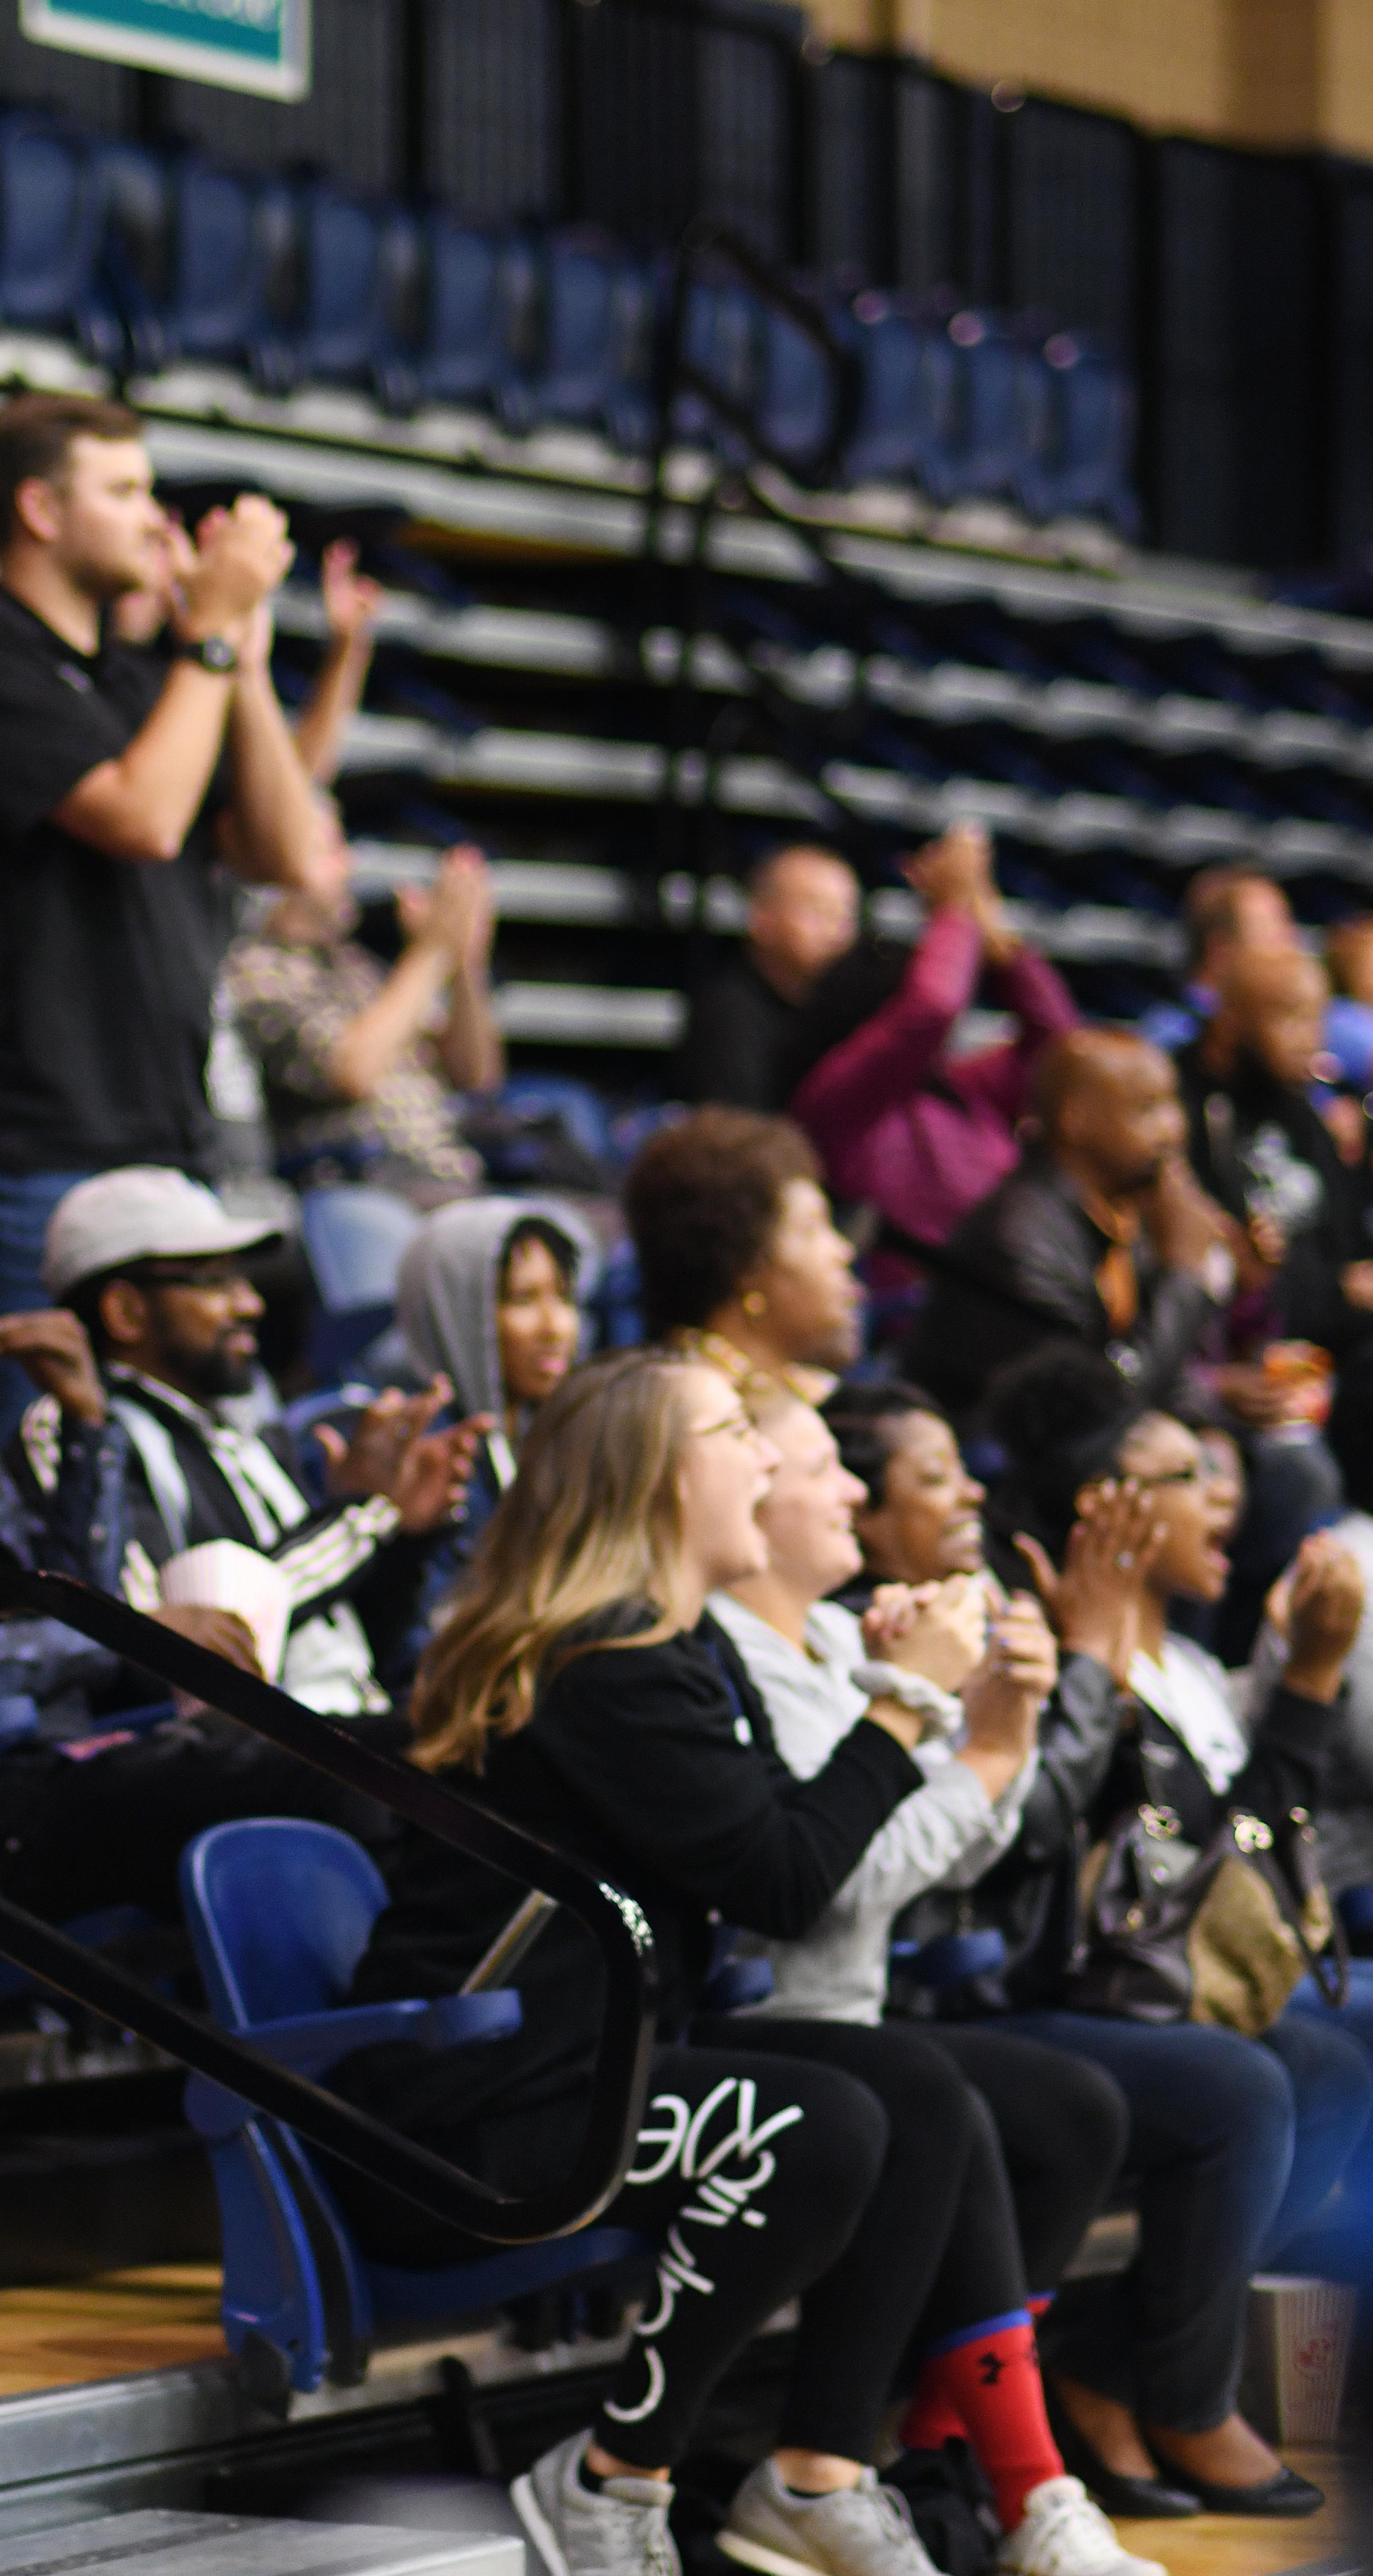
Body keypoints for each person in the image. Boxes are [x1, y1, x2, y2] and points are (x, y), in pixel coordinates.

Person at [325, 1350, 1161, 2576]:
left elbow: (783, 1845)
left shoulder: (670, 1651)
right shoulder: (596, 1662)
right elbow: (782, 1878)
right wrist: (900, 1711)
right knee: (815, 2124)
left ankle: (815, 2473)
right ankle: (608, 2482)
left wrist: (891, 1693)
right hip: (470, 2120)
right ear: (659, 1483)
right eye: (736, 1433)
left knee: (912, 2087)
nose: (767, 1457)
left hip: (587, 2070)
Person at [961, 1341, 1373, 2521]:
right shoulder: (1032, 1645)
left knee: (1334, 2061)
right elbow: (1045, 1852)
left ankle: (1107, 2357)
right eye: (1187, 1474)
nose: (1225, 1493)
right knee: (1251, 2082)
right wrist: (1293, 1691)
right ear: (1111, 1510)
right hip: (1035, 1995)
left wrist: (1304, 1680)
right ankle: (1182, 2396)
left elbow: (1232, 1878)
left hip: (1153, 1992)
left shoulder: (1188, 1663)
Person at [0, 392, 323, 1434]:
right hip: (37, 1145)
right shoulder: (7, 662)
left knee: (182, 1466)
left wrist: (247, 661)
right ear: (41, 510)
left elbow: (277, 852)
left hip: (165, 1135)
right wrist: (213, 643)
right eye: (125, 490)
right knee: (37, 1475)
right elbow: (140, 815)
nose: (155, 519)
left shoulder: (143, 680)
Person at [8, 1168, 480, 1729]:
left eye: (242, 1279)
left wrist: (404, 1541)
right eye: (214, 1281)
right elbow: (167, 1644)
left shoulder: (247, 1432)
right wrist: (363, 1516)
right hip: (215, 1757)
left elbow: (344, 1645)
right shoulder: (71, 1432)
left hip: (334, 1730)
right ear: (126, 1312)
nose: (250, 1303)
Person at [905, 1029, 1232, 1424]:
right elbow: (1099, 1406)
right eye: (1146, 1110)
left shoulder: (1126, 1208)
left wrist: (1212, 1400)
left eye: (1172, 1104)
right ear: (1075, 1119)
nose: (1172, 1131)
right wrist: (1184, 1274)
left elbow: (1145, 1357)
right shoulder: (1020, 1239)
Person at [790, 825, 1078, 1252]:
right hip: (918, 1313)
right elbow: (931, 1009)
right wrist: (954, 910)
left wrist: (992, 930)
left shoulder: (956, 1087)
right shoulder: (836, 1100)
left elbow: (1059, 1049)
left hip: (1008, 1290)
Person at [223, 795, 501, 1198]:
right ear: (275, 867)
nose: (349, 865)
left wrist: (464, 965)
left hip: (447, 1176)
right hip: (367, 1186)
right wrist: (431, 953)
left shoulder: (355, 964)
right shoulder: (257, 968)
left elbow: (474, 1075)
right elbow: (351, 1072)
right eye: (330, 850)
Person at [1177, 944, 1373, 1357]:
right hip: (1243, 1350)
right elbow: (1222, 1281)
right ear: (1229, 1021)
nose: (1311, 1040)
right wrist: (1338, 1293)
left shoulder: (1296, 1105)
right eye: (1290, 1017)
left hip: (1331, 1343)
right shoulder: (1185, 1111)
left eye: (1316, 1019)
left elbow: (1349, 1242)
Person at [624, 1106, 862, 1405]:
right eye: (811, 1229)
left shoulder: (825, 1401)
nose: (843, 1251)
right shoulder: (684, 1422)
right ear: (745, 1267)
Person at [675, 844, 860, 1112]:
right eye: (818, 911)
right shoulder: (728, 1016)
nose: (836, 932)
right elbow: (740, 1138)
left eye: (846, 915)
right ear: (761, 917)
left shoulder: (844, 1011)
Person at [1138, 866, 1297, 1054]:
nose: (1293, 944)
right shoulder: (1170, 1040)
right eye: (1272, 933)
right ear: (1220, 951)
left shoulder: (1307, 1027)